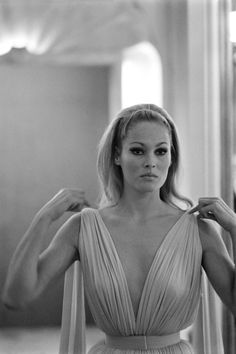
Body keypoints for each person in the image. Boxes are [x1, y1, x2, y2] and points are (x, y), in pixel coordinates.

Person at [2, 103, 236, 354]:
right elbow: (17, 297)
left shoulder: (198, 232)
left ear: (171, 157)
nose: (151, 162)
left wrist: (234, 227)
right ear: (116, 156)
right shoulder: (84, 228)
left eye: (161, 151)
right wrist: (44, 217)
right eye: (137, 151)